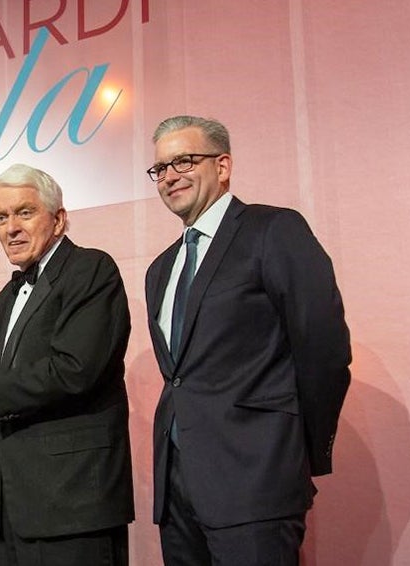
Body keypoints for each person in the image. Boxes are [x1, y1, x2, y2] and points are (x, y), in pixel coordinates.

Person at [144, 115, 351, 565]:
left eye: (184, 160)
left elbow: (324, 352)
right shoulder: (160, 268)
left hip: (256, 482)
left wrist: (293, 454)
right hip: (177, 490)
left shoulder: (273, 230)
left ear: (222, 166)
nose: (170, 176)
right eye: (160, 168)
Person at [0, 163, 135, 566]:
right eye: (1, 218)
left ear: (59, 220)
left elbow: (75, 370)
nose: (11, 228)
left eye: (24, 212)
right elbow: (11, 381)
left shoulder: (91, 269)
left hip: (74, 503)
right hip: (14, 505)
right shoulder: (5, 296)